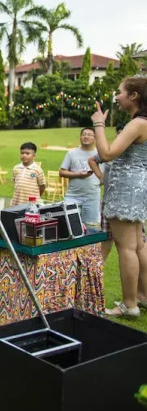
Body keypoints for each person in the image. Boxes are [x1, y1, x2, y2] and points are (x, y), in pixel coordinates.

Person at [91, 77, 147, 317]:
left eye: (120, 92)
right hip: (138, 188)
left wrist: (98, 124)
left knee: (126, 247)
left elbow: (107, 153)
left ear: (134, 96)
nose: (116, 96)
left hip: (125, 189)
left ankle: (129, 304)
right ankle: (142, 296)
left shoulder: (137, 124)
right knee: (139, 245)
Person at [89, 125, 128, 262]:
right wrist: (101, 177)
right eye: (119, 133)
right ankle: (99, 271)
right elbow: (92, 160)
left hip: (128, 207)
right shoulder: (111, 151)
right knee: (105, 240)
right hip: (107, 203)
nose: (122, 135)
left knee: (128, 245)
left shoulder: (137, 154)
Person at [59, 128, 102, 229]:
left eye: (89, 135)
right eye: (84, 134)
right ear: (80, 137)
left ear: (95, 138)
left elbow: (103, 174)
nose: (86, 137)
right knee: (70, 227)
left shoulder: (100, 154)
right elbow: (61, 172)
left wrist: (98, 182)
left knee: (91, 227)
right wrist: (78, 174)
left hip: (92, 197)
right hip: (72, 196)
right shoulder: (72, 153)